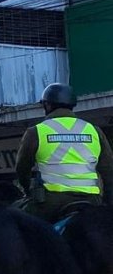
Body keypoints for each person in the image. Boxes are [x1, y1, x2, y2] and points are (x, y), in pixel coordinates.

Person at [15, 82, 113, 221]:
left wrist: (27, 190)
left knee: (18, 221)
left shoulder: (36, 132)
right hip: (91, 200)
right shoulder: (94, 131)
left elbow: (22, 167)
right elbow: (108, 171)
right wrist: (108, 203)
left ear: (47, 105)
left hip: (52, 202)